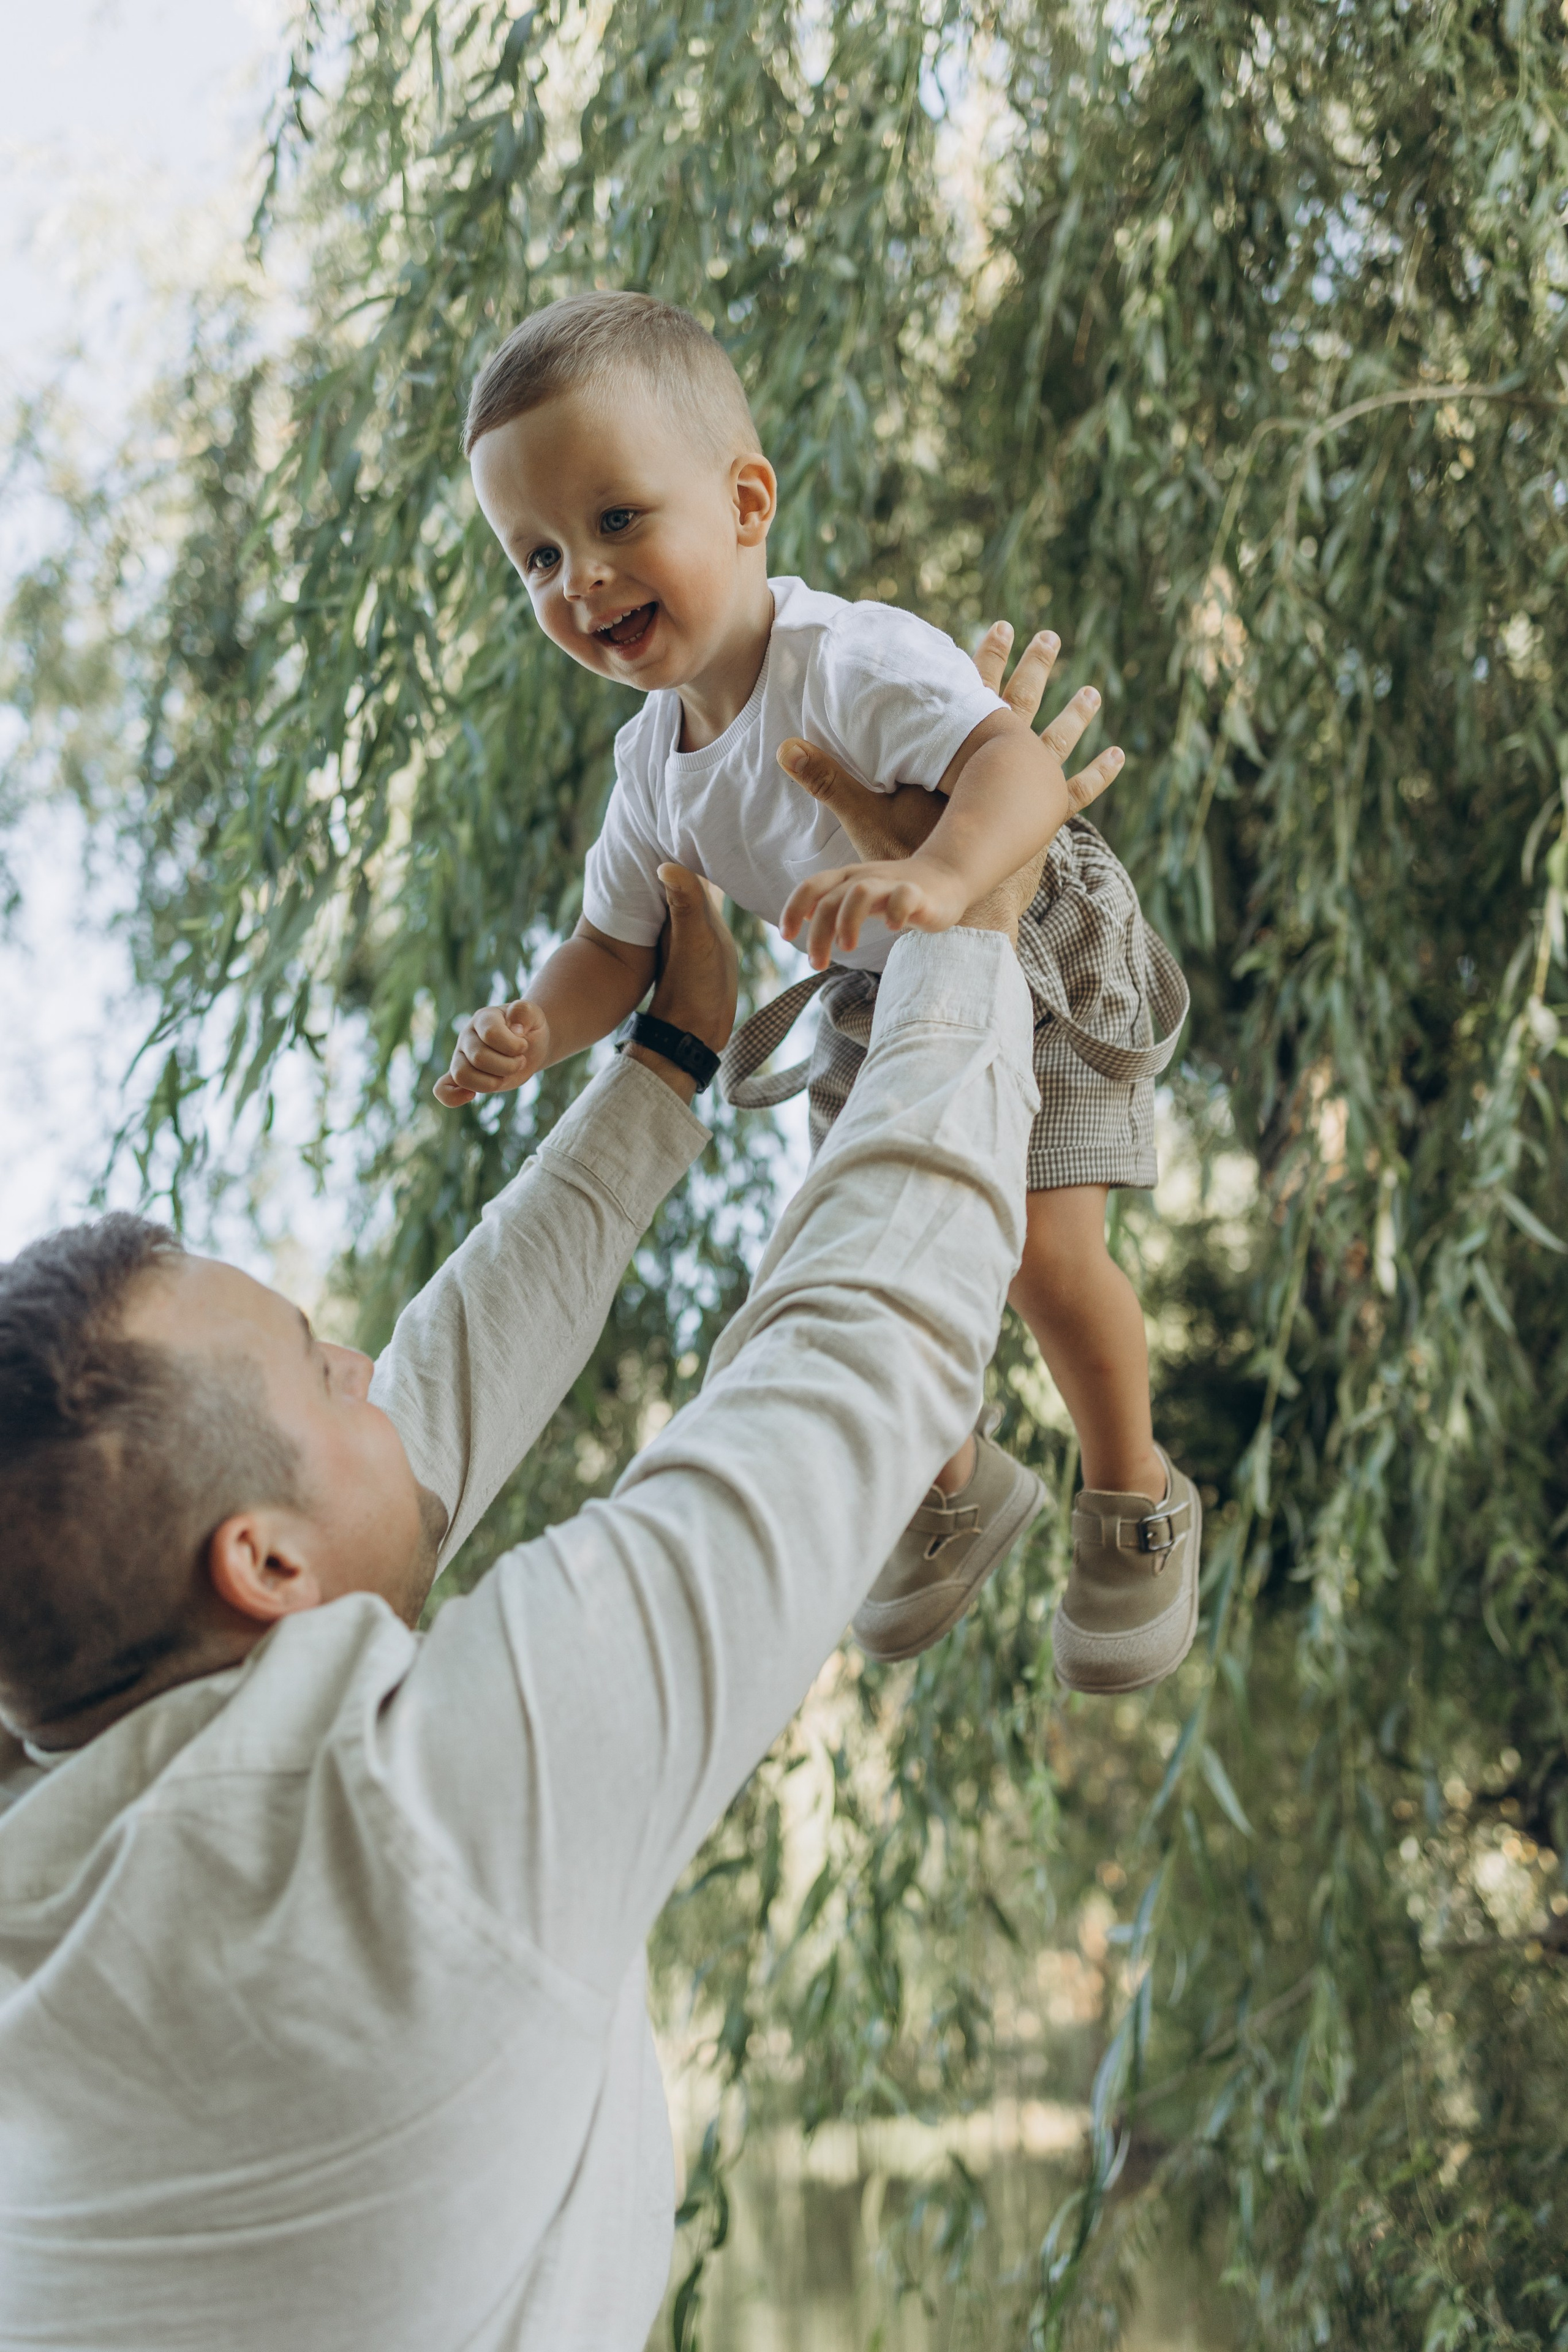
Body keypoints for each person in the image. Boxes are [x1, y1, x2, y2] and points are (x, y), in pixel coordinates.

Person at [4, 640, 1071, 2350]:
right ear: (260, 1561)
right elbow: (846, 1359)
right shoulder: (414, 1828)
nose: (370, 1359)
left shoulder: (60, 1854)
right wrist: (963, 924)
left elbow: (431, 1403)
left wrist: (661, 1069)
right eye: (319, 1361)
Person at [435, 290, 1199, 1694]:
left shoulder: (841, 657)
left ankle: (1131, 1494)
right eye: (535, 556)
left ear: (744, 501)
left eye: (613, 522)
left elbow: (1012, 767)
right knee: (855, 1246)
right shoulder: (649, 768)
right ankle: (956, 1481)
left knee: (1035, 1253)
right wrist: (540, 1025)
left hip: (1024, 929)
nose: (579, 581)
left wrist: (941, 877)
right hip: (876, 991)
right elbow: (616, 946)